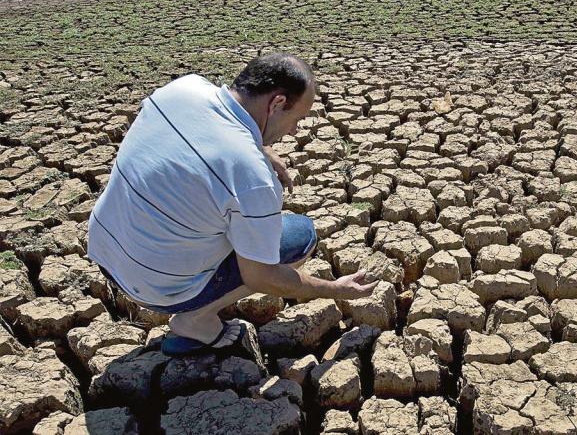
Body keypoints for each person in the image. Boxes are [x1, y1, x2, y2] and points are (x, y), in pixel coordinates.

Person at [87, 52, 377, 355]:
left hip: (105, 252)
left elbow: (201, 135)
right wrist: (336, 289)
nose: (294, 131)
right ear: (277, 104)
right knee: (298, 235)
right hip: (155, 288)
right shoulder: (252, 176)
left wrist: (258, 146)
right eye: (296, 119)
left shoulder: (182, 89)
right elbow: (262, 276)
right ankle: (195, 319)